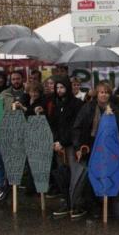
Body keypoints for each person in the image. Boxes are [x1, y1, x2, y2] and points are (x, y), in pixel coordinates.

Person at [71, 81, 119, 219]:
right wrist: (78, 147)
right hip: (90, 145)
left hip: (109, 148)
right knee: (92, 177)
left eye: (106, 92)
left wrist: (112, 117)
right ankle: (92, 207)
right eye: (101, 92)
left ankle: (107, 207)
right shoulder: (87, 108)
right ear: (97, 94)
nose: (104, 95)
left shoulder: (115, 109)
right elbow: (77, 128)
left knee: (108, 175)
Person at [48, 77, 83, 217]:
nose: (59, 90)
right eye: (57, 88)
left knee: (75, 176)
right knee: (63, 175)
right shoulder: (56, 104)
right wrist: (56, 141)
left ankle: (76, 204)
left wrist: (63, 142)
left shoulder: (76, 104)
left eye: (62, 87)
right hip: (59, 146)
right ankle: (66, 202)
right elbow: (54, 124)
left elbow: (75, 126)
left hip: (71, 146)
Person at [0, 71, 28, 200]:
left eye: (18, 79)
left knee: (19, 160)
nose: (16, 81)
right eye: (13, 79)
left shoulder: (29, 92)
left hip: (22, 132)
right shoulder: (4, 95)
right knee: (1, 161)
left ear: (22, 79)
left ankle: (17, 183)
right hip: (6, 132)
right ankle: (2, 185)